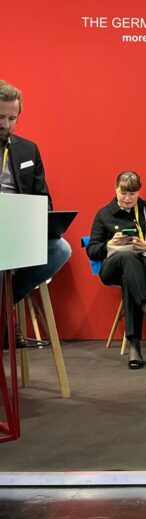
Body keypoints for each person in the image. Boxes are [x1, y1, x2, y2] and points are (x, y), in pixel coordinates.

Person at [0, 79, 71, 346]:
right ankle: (4, 318)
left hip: (18, 232)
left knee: (61, 248)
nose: (6, 124)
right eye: (0, 117)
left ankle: (5, 305)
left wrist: (43, 222)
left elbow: (43, 200)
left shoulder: (28, 149)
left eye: (12, 118)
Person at [87, 171, 146, 369]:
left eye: (133, 193)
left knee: (128, 277)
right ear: (115, 190)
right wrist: (109, 245)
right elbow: (92, 250)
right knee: (127, 258)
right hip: (113, 265)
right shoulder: (104, 214)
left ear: (139, 192)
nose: (128, 198)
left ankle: (134, 346)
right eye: (123, 193)